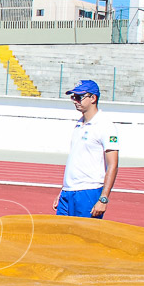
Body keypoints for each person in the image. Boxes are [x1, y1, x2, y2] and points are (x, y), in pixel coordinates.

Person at [53, 79, 120, 218]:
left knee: (84, 238)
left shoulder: (105, 126)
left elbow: (112, 164)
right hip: (68, 192)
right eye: (73, 97)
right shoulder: (79, 124)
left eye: (79, 97)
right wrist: (63, 190)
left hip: (88, 192)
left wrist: (103, 198)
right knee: (61, 236)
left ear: (93, 98)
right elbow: (76, 159)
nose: (75, 101)